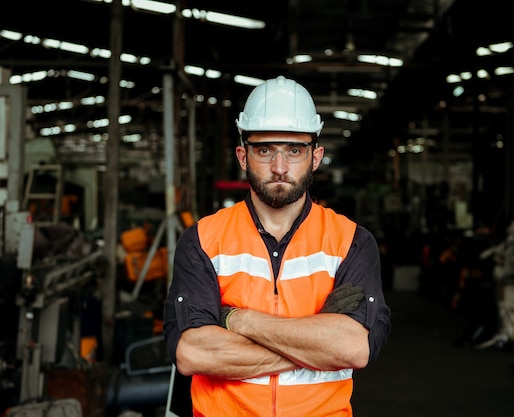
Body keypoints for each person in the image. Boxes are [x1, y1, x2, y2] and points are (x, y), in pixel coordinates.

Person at [163, 75, 391, 417]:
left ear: (316, 157)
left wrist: (239, 320)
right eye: (265, 150)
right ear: (243, 156)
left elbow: (353, 348)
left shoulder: (351, 242)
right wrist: (316, 346)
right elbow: (194, 353)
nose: (280, 167)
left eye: (295, 150)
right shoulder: (203, 240)